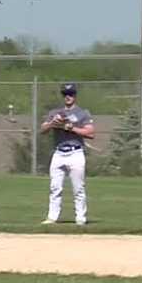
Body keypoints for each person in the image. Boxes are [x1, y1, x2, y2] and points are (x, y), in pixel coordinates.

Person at [39, 82, 95, 226]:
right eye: (65, 94)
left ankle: (80, 218)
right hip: (59, 153)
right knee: (55, 187)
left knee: (78, 188)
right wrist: (53, 123)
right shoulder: (55, 113)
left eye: (71, 94)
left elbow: (90, 132)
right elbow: (43, 130)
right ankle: (52, 217)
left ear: (75, 95)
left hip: (75, 153)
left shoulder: (82, 113)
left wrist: (72, 128)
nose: (68, 97)